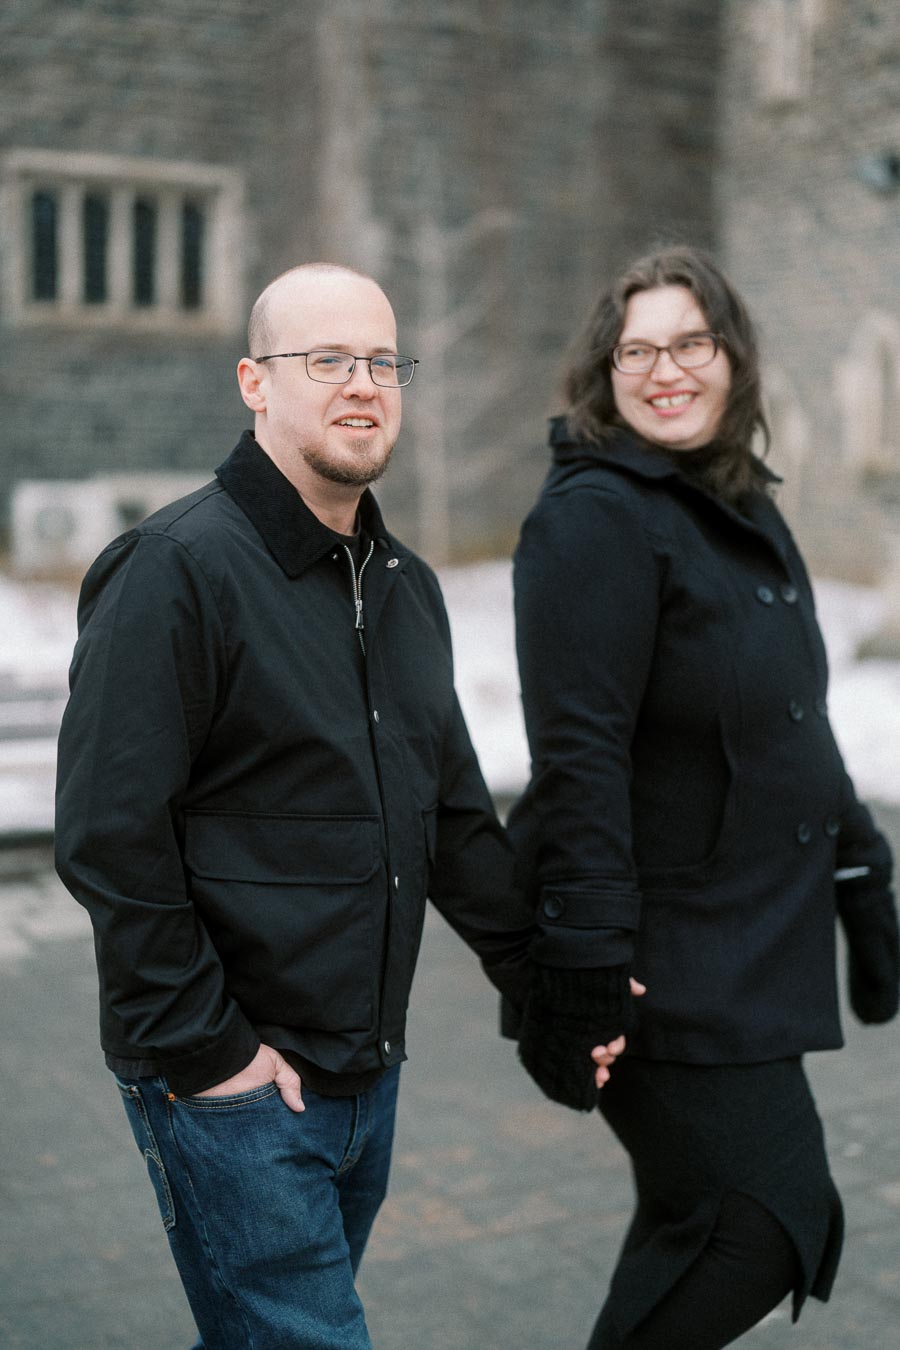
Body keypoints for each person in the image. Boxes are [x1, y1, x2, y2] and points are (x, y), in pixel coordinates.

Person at [55, 262, 533, 1350]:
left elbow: (451, 818)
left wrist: (550, 981)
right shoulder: (174, 568)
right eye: (325, 360)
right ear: (254, 383)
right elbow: (107, 835)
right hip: (232, 1083)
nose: (361, 384)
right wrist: (212, 1055)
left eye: (380, 362)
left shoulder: (405, 586)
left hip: (366, 1074)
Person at [507, 245, 899, 1349]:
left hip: (752, 941)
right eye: (638, 349)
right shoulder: (595, 519)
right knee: (758, 1222)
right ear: (605, 370)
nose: (665, 369)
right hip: (660, 960)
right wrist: (584, 960)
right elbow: (575, 754)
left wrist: (864, 865)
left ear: (732, 358)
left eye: (691, 342)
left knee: (695, 1219)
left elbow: (792, 722)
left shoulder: (735, 509)